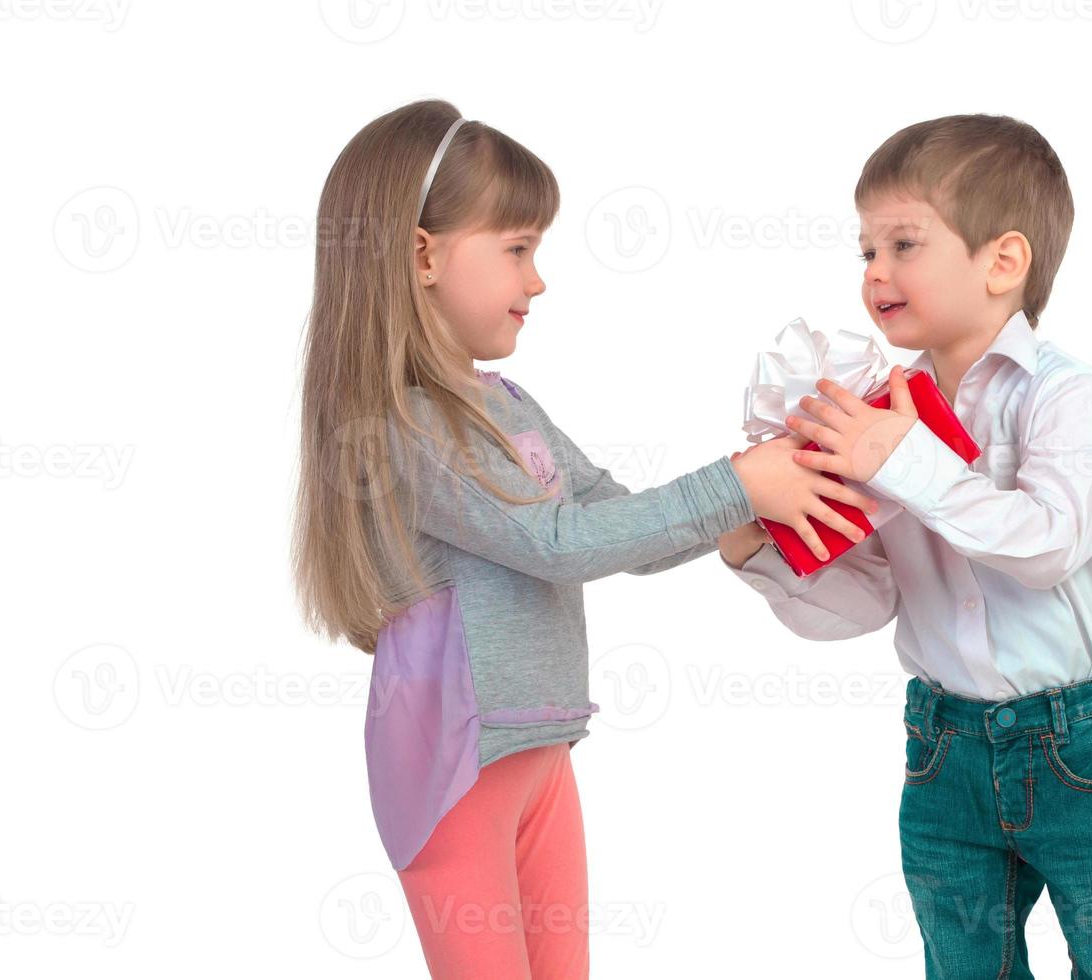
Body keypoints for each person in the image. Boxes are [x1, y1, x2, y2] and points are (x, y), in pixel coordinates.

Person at [290, 98, 880, 979]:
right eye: (518, 249)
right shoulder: (401, 427)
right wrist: (731, 486)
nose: (538, 281)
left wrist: (745, 498)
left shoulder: (509, 406)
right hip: (456, 769)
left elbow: (615, 523)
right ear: (424, 255)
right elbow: (559, 544)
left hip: (537, 757)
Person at [719, 113, 1092, 979]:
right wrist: (758, 546)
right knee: (962, 963)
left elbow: (1049, 545)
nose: (875, 273)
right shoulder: (877, 411)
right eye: (864, 251)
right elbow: (863, 603)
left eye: (903, 244)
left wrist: (903, 460)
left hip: (1081, 741)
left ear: (1003, 262)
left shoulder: (1066, 398)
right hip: (943, 747)